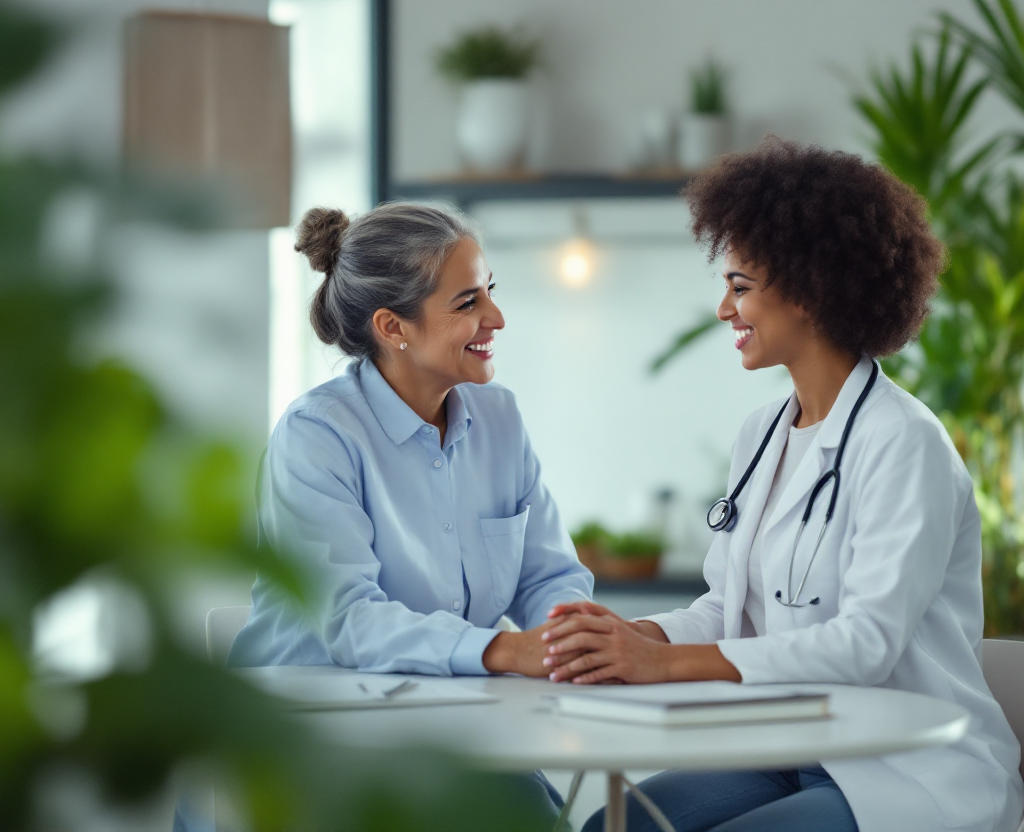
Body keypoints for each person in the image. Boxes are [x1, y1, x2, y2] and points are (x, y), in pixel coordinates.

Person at [542, 137, 1024, 832]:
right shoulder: (763, 432)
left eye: (740, 288)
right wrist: (630, 633)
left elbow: (866, 644)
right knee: (617, 826)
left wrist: (661, 665)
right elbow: (729, 608)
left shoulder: (904, 442)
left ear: (807, 290)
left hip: (901, 765)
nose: (723, 310)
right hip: (790, 742)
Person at [229, 201, 592, 679]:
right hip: (313, 725)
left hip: (452, 710)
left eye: (490, 291)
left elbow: (548, 576)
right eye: (468, 302)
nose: (497, 317)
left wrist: (569, 637)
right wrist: (504, 650)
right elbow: (350, 619)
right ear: (392, 327)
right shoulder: (316, 436)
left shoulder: (499, 416)